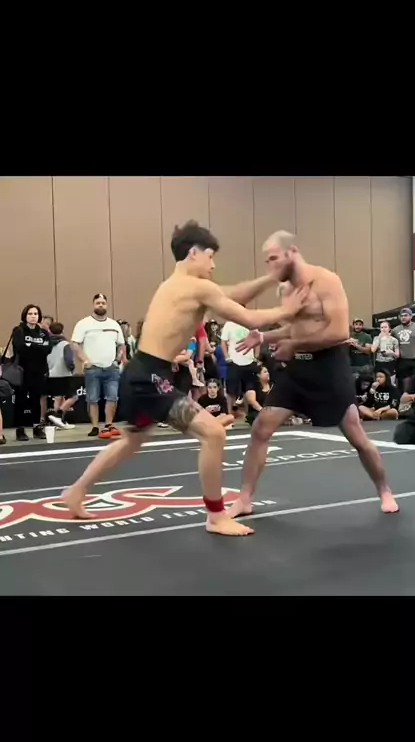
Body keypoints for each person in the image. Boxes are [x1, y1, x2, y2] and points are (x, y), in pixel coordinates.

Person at [62, 220, 308, 537]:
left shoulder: (177, 285)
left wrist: (271, 277)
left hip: (141, 372)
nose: (213, 264)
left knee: (131, 441)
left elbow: (233, 294)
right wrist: (289, 310)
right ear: (194, 253)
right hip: (150, 376)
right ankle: (216, 516)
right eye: (210, 256)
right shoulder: (196, 288)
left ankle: (77, 490)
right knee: (213, 434)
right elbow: (248, 317)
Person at [228, 230, 399, 518]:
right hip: (298, 370)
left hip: (329, 367)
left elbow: (339, 332)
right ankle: (245, 499)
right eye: (267, 261)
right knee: (260, 428)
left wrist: (294, 344)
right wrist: (265, 337)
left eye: (274, 258)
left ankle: (384, 490)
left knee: (357, 437)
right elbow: (296, 328)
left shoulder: (326, 282)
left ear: (292, 252)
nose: (270, 266)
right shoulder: (285, 290)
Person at [71, 294, 125, 439]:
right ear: (93, 305)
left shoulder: (114, 325)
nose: (100, 305)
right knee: (92, 398)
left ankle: (109, 425)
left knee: (112, 397)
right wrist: (84, 360)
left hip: (111, 368)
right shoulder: (84, 324)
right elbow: (75, 344)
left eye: (103, 303)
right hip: (92, 368)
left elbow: (121, 344)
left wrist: (117, 360)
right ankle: (95, 426)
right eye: (98, 303)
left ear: (106, 305)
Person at [12, 304, 51, 441]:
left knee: (36, 400)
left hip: (39, 371)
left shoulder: (43, 332)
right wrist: (38, 347)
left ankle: (37, 428)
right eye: (30, 314)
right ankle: (20, 430)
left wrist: (31, 346)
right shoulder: (19, 330)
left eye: (35, 314)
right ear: (25, 315)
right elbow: (20, 347)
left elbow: (48, 349)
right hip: (22, 371)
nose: (33, 316)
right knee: (21, 401)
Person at [47, 321, 78, 430]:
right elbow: (68, 359)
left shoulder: (47, 344)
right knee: (73, 397)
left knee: (58, 397)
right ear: (62, 331)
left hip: (51, 374)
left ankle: (57, 423)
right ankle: (58, 415)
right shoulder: (65, 344)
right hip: (64, 374)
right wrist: (72, 368)